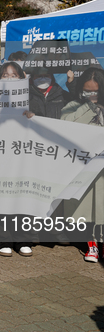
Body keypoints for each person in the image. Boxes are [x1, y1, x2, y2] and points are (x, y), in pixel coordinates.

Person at [60, 67, 104, 262]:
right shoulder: (74, 105)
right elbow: (66, 124)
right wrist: (88, 107)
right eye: (87, 91)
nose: (92, 95)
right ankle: (92, 244)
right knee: (88, 208)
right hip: (85, 167)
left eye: (96, 91)